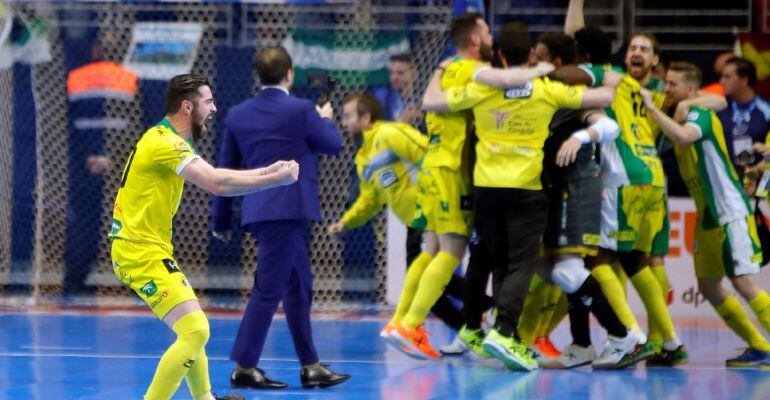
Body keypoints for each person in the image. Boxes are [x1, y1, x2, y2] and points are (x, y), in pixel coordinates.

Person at [422, 25, 620, 371]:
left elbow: (431, 102)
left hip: (486, 188)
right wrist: (610, 80)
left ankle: (504, 335)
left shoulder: (482, 89)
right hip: (526, 190)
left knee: (497, 262)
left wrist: (439, 72)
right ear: (530, 55)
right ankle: (503, 331)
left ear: (499, 56)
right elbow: (601, 100)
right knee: (520, 263)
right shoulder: (546, 90)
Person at [109, 73, 300, 400]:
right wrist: (276, 181)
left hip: (149, 249)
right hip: (138, 252)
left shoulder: (166, 139)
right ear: (187, 106)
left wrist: (269, 171)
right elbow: (217, 184)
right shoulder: (165, 144)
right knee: (196, 330)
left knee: (192, 329)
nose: (214, 108)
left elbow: (218, 175)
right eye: (208, 102)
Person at [210, 46, 349, 390]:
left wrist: (221, 220)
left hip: (259, 210)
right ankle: (244, 366)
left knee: (298, 287)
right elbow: (333, 145)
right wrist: (326, 116)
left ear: (259, 75)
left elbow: (224, 170)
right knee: (269, 289)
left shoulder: (238, 114)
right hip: (289, 209)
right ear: (290, 73)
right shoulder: (302, 110)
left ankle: (311, 365)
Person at [642, 61, 770, 368]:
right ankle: (758, 347)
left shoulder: (698, 113)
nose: (666, 89)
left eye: (672, 85)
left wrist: (655, 111)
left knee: (742, 282)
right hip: (707, 216)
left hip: (728, 211)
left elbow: (686, 136)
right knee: (708, 286)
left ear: (690, 89)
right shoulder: (685, 108)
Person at [371, 53, 423, 125]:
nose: (394, 77)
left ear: (414, 74)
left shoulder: (422, 98)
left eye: (400, 73)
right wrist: (403, 120)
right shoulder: (383, 97)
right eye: (391, 73)